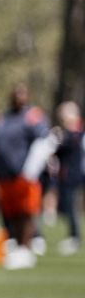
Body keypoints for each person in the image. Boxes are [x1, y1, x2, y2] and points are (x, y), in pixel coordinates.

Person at [0, 84, 53, 269]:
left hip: (24, 173)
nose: (20, 97)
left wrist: (31, 168)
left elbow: (45, 140)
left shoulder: (32, 116)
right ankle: (17, 245)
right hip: (5, 174)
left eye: (23, 94)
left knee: (26, 212)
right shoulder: (4, 118)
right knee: (11, 212)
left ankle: (26, 247)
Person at [53, 101, 82, 254]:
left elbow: (63, 149)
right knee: (68, 207)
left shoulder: (76, 133)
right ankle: (73, 236)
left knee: (72, 207)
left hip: (73, 175)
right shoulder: (70, 133)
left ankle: (75, 237)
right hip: (67, 175)